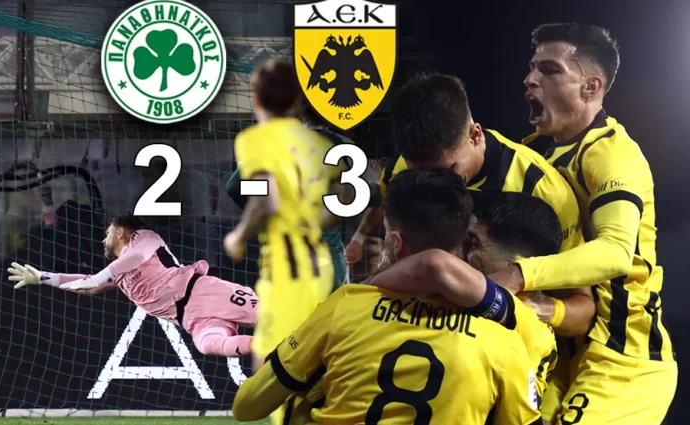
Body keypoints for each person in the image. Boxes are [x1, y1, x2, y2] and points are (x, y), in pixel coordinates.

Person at [232, 168, 541, 425]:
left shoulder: (345, 306)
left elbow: (246, 407)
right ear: (465, 241)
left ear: (395, 242)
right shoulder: (507, 332)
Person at [493, 23, 676, 425]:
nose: (530, 79)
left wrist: (518, 275)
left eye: (550, 70)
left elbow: (615, 253)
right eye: (531, 68)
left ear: (591, 87)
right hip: (559, 349)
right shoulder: (534, 152)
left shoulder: (613, 154)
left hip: (622, 358)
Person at [341, 72, 594, 339]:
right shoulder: (399, 173)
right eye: (420, 173)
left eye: (450, 170)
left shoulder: (543, 190)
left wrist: (526, 309)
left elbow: (584, 311)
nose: (438, 183)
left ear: (475, 135)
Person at [364, 191, 596, 415]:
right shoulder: (439, 291)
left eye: (472, 244)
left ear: (518, 264)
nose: (457, 253)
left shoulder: (530, 336)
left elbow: (435, 263)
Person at [9, 214, 258, 358]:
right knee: (207, 345)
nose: (103, 239)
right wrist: (42, 277)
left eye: (107, 233)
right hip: (191, 320)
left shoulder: (145, 238)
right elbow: (90, 285)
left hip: (204, 293)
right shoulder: (119, 272)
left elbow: (135, 258)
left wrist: (99, 277)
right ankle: (268, 348)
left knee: (268, 315)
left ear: (120, 231)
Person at [224, 102, 372, 290]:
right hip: (329, 259)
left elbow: (234, 186)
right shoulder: (343, 145)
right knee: (334, 308)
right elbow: (371, 191)